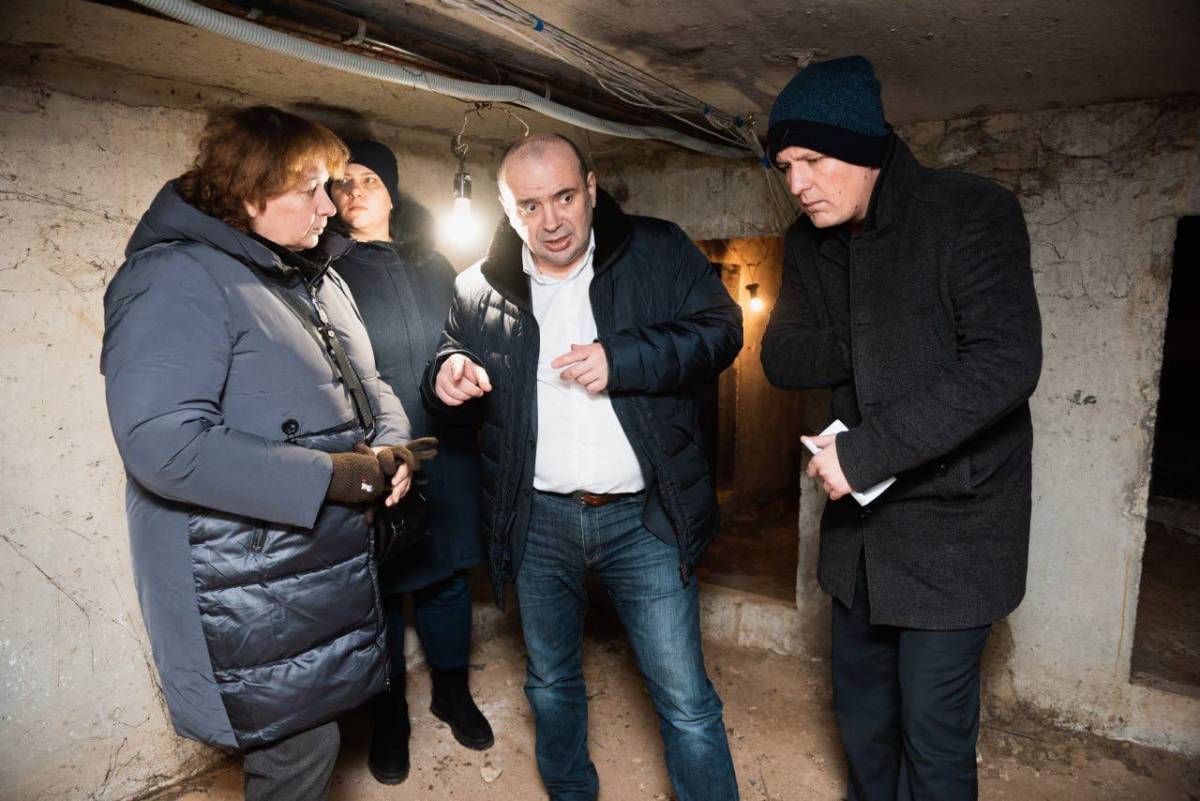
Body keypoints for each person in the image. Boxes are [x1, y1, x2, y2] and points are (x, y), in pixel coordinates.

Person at [101, 106, 425, 801]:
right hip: (239, 578)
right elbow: (164, 443)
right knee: (298, 752)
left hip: (306, 566)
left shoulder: (315, 276)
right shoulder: (175, 277)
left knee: (311, 742)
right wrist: (335, 477)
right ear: (248, 196)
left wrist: (392, 448)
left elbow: (371, 386)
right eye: (310, 190)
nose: (330, 206)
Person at [422, 133, 743, 801]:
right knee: (550, 682)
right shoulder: (477, 286)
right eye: (530, 205)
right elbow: (451, 351)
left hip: (643, 519)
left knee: (685, 699)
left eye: (565, 197)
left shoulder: (657, 249)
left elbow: (721, 330)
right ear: (508, 210)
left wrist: (623, 359)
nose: (552, 221)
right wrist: (445, 372)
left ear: (592, 189)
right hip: (537, 521)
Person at [760, 56, 1043, 800]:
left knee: (933, 735)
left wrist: (864, 451)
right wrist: (877, 338)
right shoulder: (807, 241)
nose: (798, 184)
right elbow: (783, 356)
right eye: (786, 167)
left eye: (813, 160)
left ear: (865, 146)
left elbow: (1006, 363)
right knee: (863, 721)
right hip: (860, 536)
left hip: (957, 532)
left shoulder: (971, 213)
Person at [326, 139, 493, 785]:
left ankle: (451, 693)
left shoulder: (434, 264)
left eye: (368, 179)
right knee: (385, 589)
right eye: (342, 182)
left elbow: (466, 337)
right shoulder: (326, 268)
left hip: (446, 443)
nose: (354, 191)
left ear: (392, 192)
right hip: (378, 449)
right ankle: (389, 715)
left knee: (448, 576)